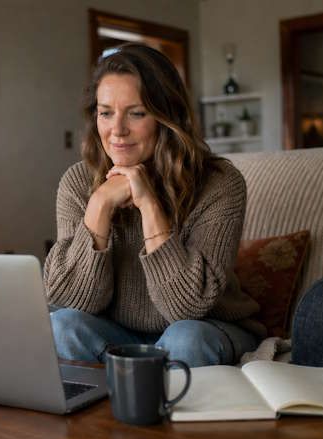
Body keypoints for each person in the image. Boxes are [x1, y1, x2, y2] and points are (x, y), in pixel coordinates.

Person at [43, 44, 265, 368]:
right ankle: (112, 411)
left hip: (208, 327)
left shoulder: (220, 182)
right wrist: (101, 203)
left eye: (136, 113)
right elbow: (71, 301)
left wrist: (148, 204)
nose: (117, 130)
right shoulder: (78, 181)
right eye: (106, 112)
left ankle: (148, 400)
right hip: (118, 333)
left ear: (166, 116)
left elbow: (187, 307)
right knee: (61, 327)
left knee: (185, 339)